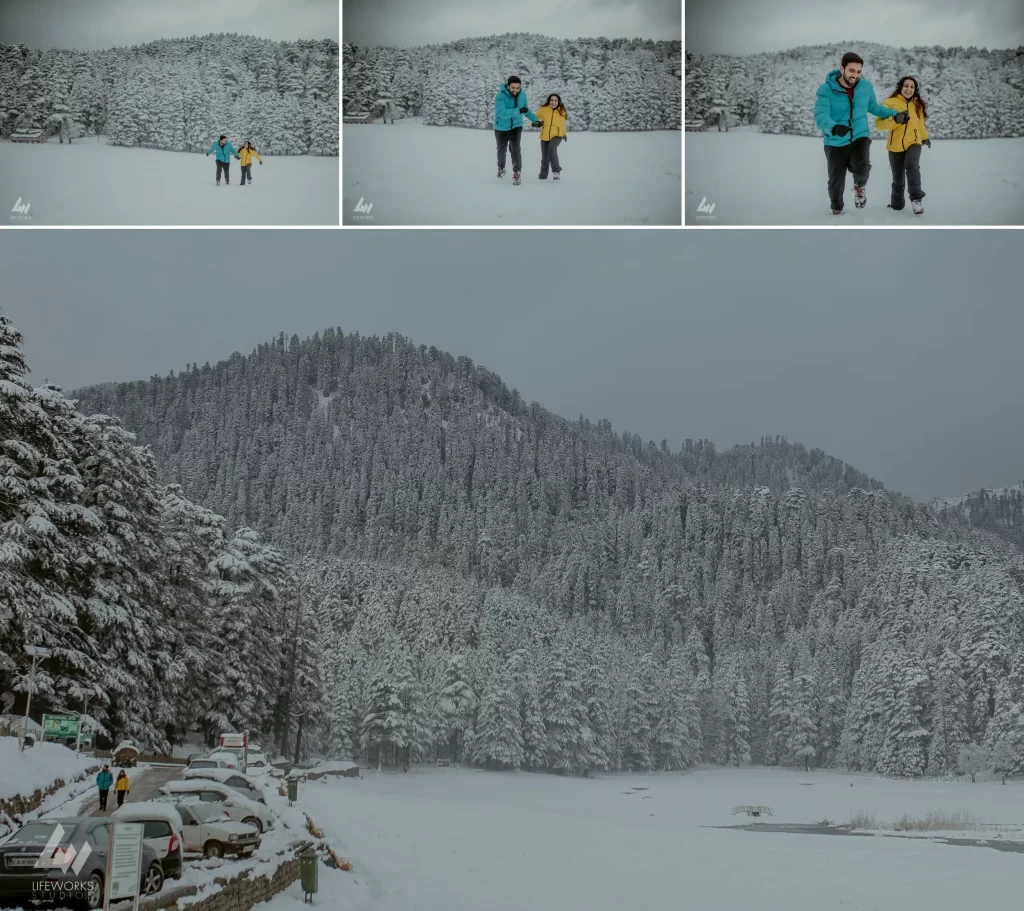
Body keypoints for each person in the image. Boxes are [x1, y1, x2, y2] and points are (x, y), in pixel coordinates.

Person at [814, 52, 901, 215]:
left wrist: (894, 114)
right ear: (842, 69)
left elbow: (874, 107)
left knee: (862, 168)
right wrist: (833, 127)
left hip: (860, 135)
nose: (855, 75)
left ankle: (859, 187)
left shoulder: (865, 87)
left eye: (858, 71)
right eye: (851, 70)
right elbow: (821, 116)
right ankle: (836, 206)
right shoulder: (826, 90)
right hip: (835, 140)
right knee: (836, 179)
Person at [875, 76, 931, 215]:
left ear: (915, 90)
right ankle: (897, 205)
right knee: (898, 178)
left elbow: (920, 124)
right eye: (906, 86)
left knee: (912, 165)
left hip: (914, 142)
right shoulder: (889, 103)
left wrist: (924, 137)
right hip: (895, 145)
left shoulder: (917, 104)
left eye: (912, 87)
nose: (909, 89)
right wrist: (895, 119)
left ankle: (916, 199)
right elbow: (879, 125)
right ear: (900, 87)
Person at [494, 76, 541, 185]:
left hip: (516, 126)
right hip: (501, 127)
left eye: (517, 88)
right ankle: (501, 168)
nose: (515, 90)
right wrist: (518, 110)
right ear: (508, 86)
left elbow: (525, 110)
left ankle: (517, 173)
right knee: (501, 149)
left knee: (515, 149)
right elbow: (502, 113)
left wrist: (535, 120)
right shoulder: (500, 96)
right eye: (513, 88)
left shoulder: (522, 95)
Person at [534, 94, 568, 181]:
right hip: (544, 136)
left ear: (558, 102)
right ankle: (543, 175)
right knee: (545, 157)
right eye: (552, 100)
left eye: (555, 100)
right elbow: (534, 117)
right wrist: (535, 123)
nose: (553, 102)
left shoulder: (562, 111)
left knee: (552, 149)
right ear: (549, 101)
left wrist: (564, 134)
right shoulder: (543, 110)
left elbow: (562, 124)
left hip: (557, 135)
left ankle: (556, 171)